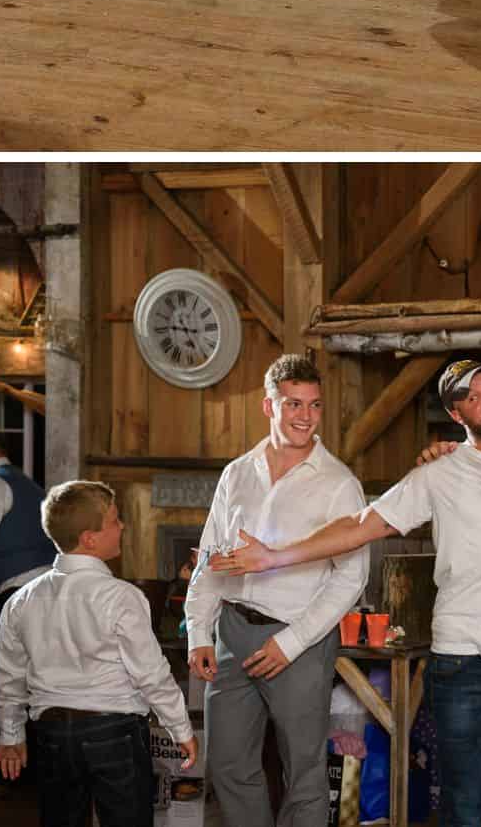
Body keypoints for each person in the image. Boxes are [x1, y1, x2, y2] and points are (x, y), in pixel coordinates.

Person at [211, 358, 481, 827]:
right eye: (471, 396)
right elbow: (361, 525)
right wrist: (274, 557)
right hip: (460, 661)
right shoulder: (439, 473)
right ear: (457, 416)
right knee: (461, 810)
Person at [182, 354, 363, 827]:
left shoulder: (339, 484)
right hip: (232, 632)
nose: (306, 416)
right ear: (269, 406)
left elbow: (351, 577)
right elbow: (211, 555)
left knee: (303, 773)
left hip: (300, 639)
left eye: (315, 405)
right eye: (293, 404)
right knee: (228, 765)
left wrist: (292, 642)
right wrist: (199, 631)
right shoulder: (237, 473)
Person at [0, 479, 196, 827]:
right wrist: (181, 728)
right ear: (89, 538)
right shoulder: (121, 597)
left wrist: (11, 734)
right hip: (114, 734)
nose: (123, 527)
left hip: (52, 735)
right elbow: (151, 674)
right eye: (115, 520)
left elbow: (9, 676)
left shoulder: (21, 600)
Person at [0, 424, 53, 776]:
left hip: (10, 596)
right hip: (45, 594)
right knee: (33, 682)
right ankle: (35, 770)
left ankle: (10, 773)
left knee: (0, 682)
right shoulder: (30, 486)